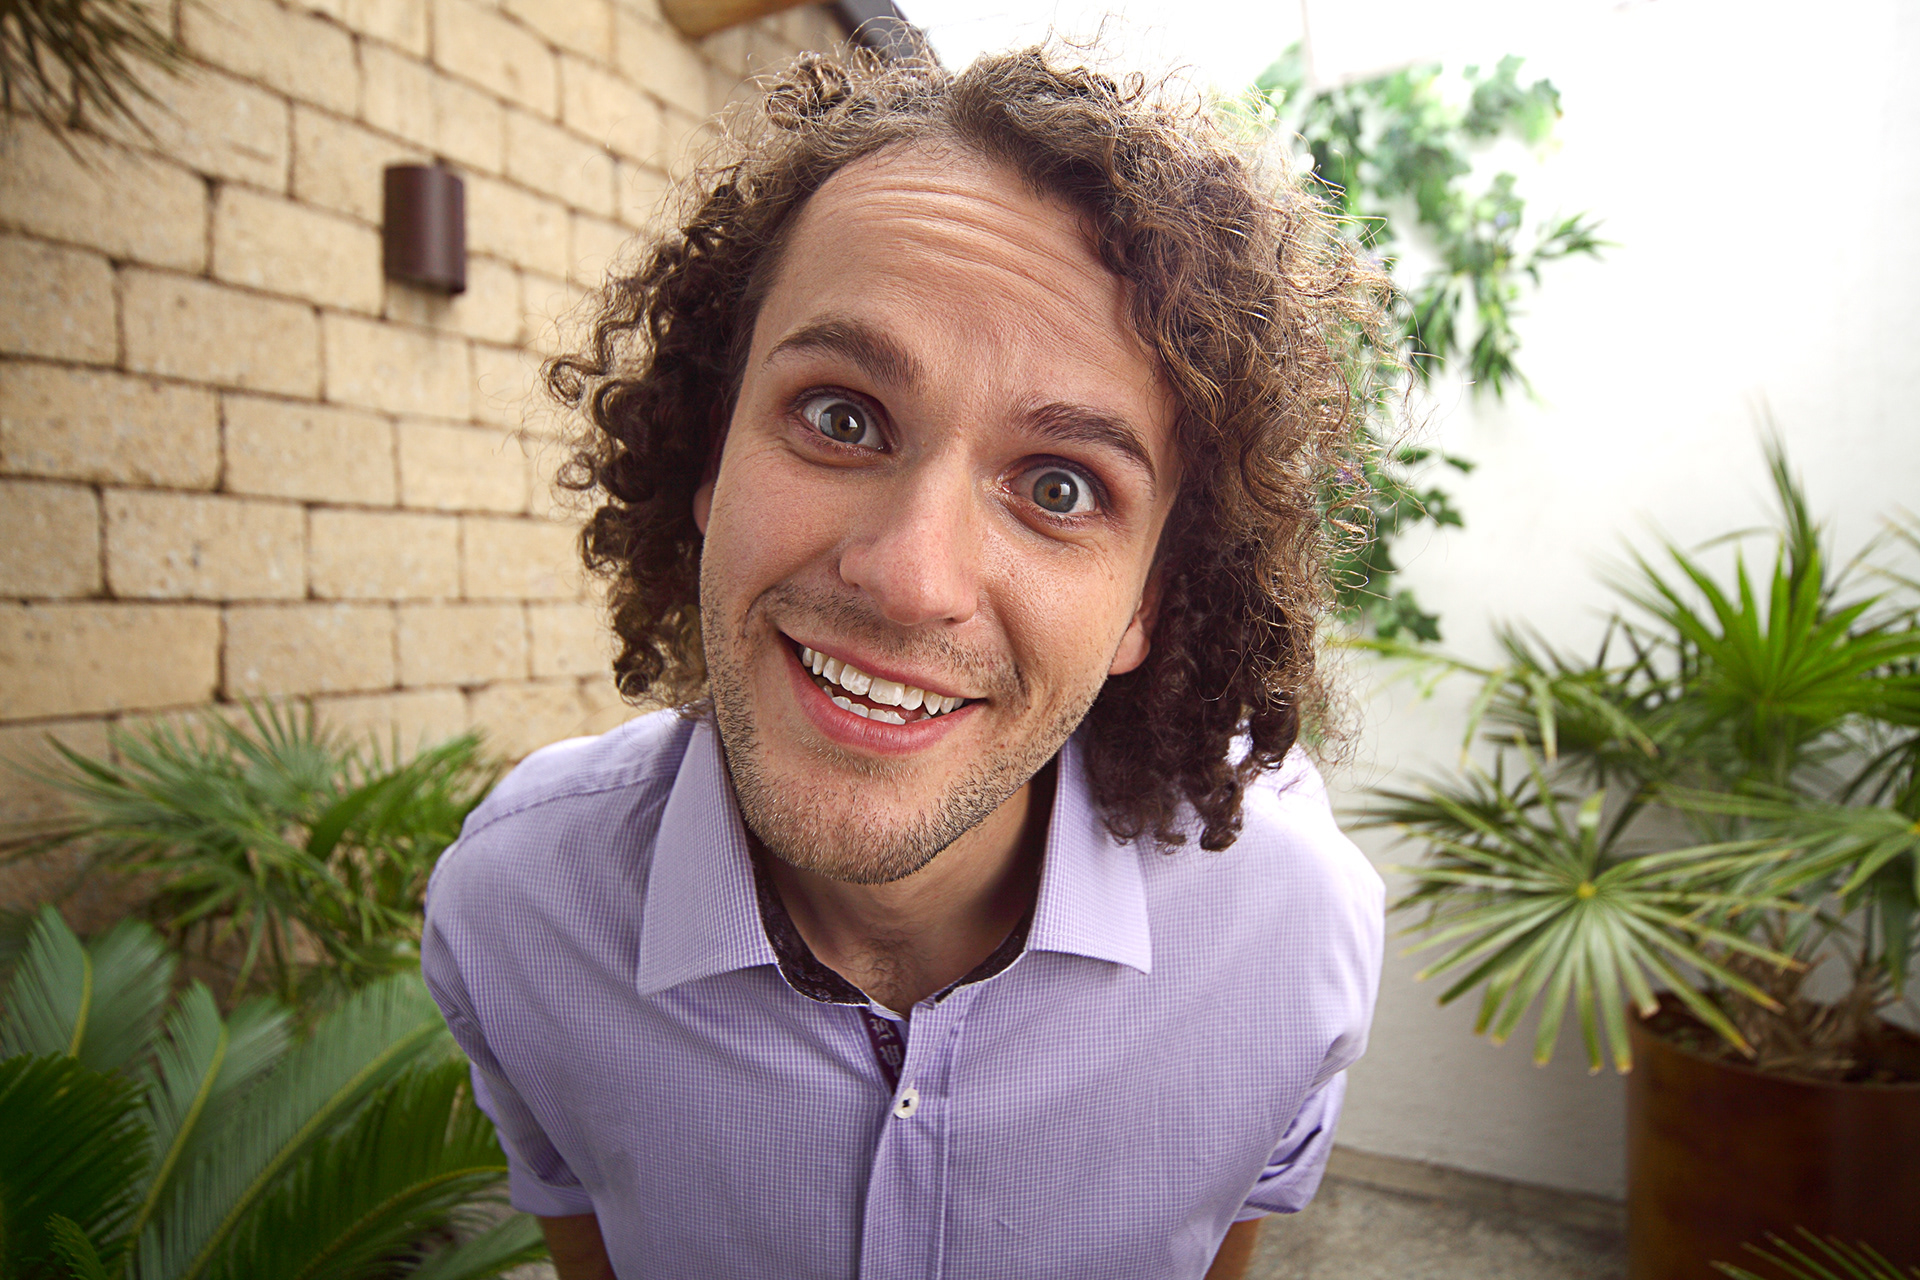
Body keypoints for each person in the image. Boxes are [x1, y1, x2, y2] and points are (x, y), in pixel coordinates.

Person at [422, 45, 1386, 1280]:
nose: (912, 577)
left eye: (1060, 486)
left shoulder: (1290, 934)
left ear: (1148, 598)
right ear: (711, 459)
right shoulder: (516, 913)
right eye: (841, 417)